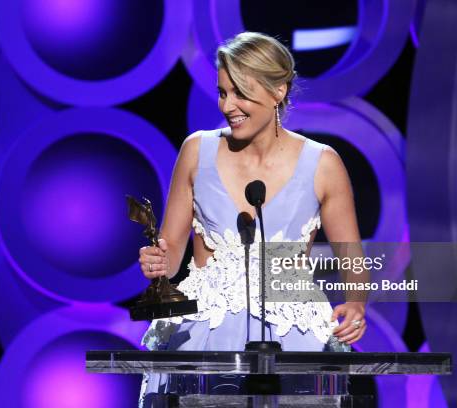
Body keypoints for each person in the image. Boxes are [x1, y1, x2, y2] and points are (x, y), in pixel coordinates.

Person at [137, 32, 367, 404]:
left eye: (241, 93)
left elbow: (353, 260)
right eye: (223, 92)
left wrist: (356, 303)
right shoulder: (197, 150)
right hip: (204, 331)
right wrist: (158, 261)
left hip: (293, 334)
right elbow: (172, 249)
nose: (229, 105)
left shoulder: (323, 164)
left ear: (279, 91)